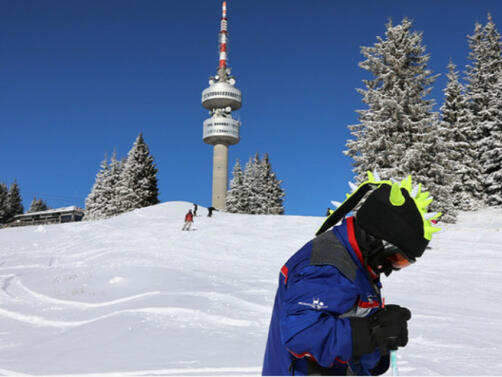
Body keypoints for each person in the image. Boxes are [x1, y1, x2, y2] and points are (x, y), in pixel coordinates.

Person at [262, 172, 441, 376]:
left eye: (403, 263)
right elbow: (301, 333)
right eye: (395, 258)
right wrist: (373, 332)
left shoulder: (359, 264)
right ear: (377, 240)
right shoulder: (328, 265)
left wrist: (381, 335)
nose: (393, 268)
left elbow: (353, 337)